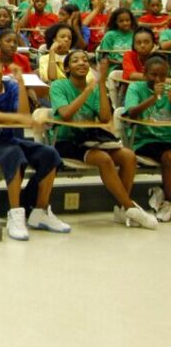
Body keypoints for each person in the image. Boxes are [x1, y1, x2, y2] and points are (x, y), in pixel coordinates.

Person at [0, 54, 70, 241]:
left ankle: (40, 212)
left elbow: (23, 114)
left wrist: (21, 85)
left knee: (49, 153)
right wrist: (18, 118)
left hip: (8, 140)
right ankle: (15, 214)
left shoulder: (12, 86)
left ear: (2, 68)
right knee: (14, 154)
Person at [50, 53, 157, 229]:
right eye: (75, 61)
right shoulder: (58, 85)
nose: (82, 63)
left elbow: (105, 117)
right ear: (67, 68)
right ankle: (130, 206)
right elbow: (66, 114)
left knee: (129, 156)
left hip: (91, 139)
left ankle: (122, 209)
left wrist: (101, 84)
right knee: (103, 159)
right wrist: (86, 91)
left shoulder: (94, 87)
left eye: (85, 60)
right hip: (66, 141)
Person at [124, 55, 171, 222]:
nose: (158, 79)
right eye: (153, 75)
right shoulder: (136, 88)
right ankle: (168, 202)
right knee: (169, 157)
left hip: (168, 137)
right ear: (145, 74)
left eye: (162, 75)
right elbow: (130, 113)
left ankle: (162, 193)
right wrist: (153, 98)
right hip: (145, 139)